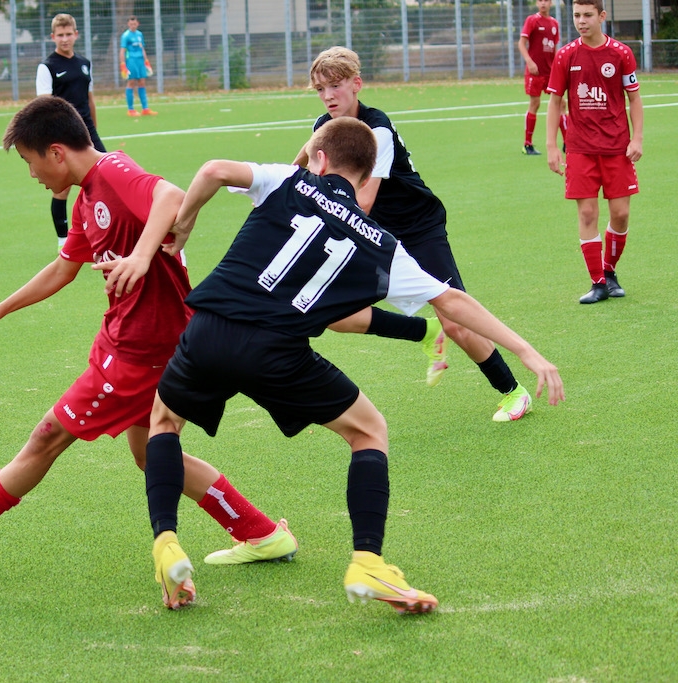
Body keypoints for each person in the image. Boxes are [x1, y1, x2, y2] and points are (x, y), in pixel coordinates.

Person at [97, 117, 564, 612]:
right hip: (277, 353)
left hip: (209, 328)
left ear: (319, 159)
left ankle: (167, 542)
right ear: (365, 177)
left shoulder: (290, 179)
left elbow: (213, 170)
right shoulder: (382, 245)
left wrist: (186, 220)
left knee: (164, 424)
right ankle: (367, 562)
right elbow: (451, 301)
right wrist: (526, 350)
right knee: (368, 431)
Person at [0, 96, 297, 580]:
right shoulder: (86, 197)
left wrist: (141, 256)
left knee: (47, 437)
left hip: (141, 353)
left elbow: (170, 196)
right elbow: (64, 268)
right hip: (142, 344)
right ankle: (261, 533)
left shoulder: (114, 172)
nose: (32, 174)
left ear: (56, 152)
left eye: (30, 161)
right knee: (151, 454)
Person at [294, 47, 533, 423]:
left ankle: (513, 391)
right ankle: (424, 332)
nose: (328, 96)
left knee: (456, 319)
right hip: (375, 232)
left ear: (356, 84)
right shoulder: (324, 126)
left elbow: (363, 202)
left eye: (335, 85)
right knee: (332, 309)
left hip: (417, 226)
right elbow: (308, 162)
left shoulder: (377, 130)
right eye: (320, 89)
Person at [546, 0, 642, 304]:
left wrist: (637, 139)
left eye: (587, 15)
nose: (581, 21)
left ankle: (609, 271)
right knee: (587, 213)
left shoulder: (621, 53)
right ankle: (598, 282)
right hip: (580, 149)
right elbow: (554, 102)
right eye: (576, 15)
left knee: (621, 214)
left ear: (601, 16)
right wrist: (551, 146)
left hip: (617, 148)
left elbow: (634, 99)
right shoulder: (566, 55)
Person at [36, 13, 106, 249]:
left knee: (104, 178)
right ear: (53, 37)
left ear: (76, 35)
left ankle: (102, 231)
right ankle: (63, 241)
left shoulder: (84, 63)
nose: (64, 39)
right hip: (62, 135)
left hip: (87, 133)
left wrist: (93, 130)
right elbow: (44, 105)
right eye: (60, 35)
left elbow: (89, 98)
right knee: (63, 188)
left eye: (68, 34)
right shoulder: (47, 67)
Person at [518, 0, 566, 155]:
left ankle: (567, 143)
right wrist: (529, 62)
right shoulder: (532, 20)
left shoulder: (554, 23)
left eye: (546, 0)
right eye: (540, 0)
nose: (543, 3)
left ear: (550, 3)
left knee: (561, 103)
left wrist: (558, 65)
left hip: (550, 71)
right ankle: (527, 144)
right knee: (535, 103)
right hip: (535, 72)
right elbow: (521, 43)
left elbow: (555, 47)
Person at [119, 16, 157, 117]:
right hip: (131, 61)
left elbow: (142, 48)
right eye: (131, 24)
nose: (133, 26)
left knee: (142, 82)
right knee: (131, 82)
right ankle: (130, 109)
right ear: (128, 24)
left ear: (138, 24)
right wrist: (123, 64)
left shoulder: (140, 34)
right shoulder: (125, 36)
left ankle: (145, 108)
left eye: (134, 24)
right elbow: (122, 51)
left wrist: (146, 61)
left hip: (140, 61)